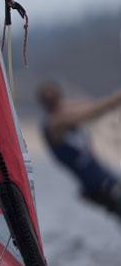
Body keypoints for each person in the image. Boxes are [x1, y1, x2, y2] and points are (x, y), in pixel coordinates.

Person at [37, 81, 121, 219]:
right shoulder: (55, 125)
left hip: (104, 177)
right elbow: (92, 112)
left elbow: (84, 106)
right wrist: (115, 99)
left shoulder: (65, 113)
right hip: (97, 186)